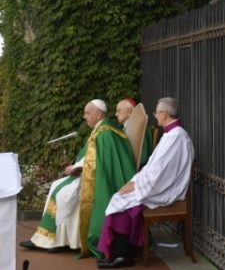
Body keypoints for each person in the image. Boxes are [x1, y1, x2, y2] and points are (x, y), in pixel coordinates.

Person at [20, 99, 137, 258]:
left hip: (98, 181)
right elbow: (93, 158)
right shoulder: (100, 129)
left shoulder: (105, 133)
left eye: (87, 113)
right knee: (56, 186)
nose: (84, 117)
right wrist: (75, 167)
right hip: (90, 175)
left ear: (99, 115)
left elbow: (98, 163)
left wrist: (76, 168)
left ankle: (58, 241)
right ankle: (53, 239)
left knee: (62, 193)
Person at [96, 97, 194, 269]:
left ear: (164, 114)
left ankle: (122, 255)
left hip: (167, 189)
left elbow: (159, 172)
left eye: (156, 113)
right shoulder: (172, 134)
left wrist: (137, 185)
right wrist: (135, 181)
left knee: (121, 201)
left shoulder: (176, 137)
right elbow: (153, 166)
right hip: (159, 185)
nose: (155, 116)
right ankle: (124, 251)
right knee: (120, 197)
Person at [115, 98, 152, 167]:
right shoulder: (127, 127)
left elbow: (142, 157)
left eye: (119, 111)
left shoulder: (139, 127)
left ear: (129, 111)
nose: (116, 114)